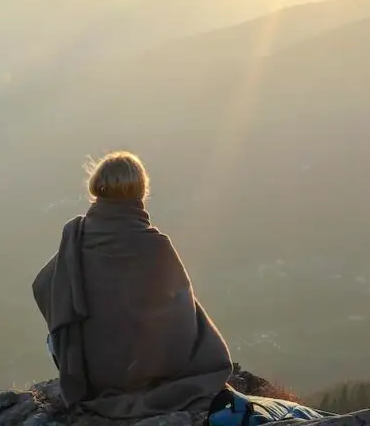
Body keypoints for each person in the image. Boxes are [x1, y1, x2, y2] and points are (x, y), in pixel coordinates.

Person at [31, 151, 232, 419]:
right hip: (147, 373)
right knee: (196, 316)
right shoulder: (156, 245)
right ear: (141, 191)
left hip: (90, 374)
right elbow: (182, 319)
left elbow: (42, 285)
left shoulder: (76, 238)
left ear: (97, 188)